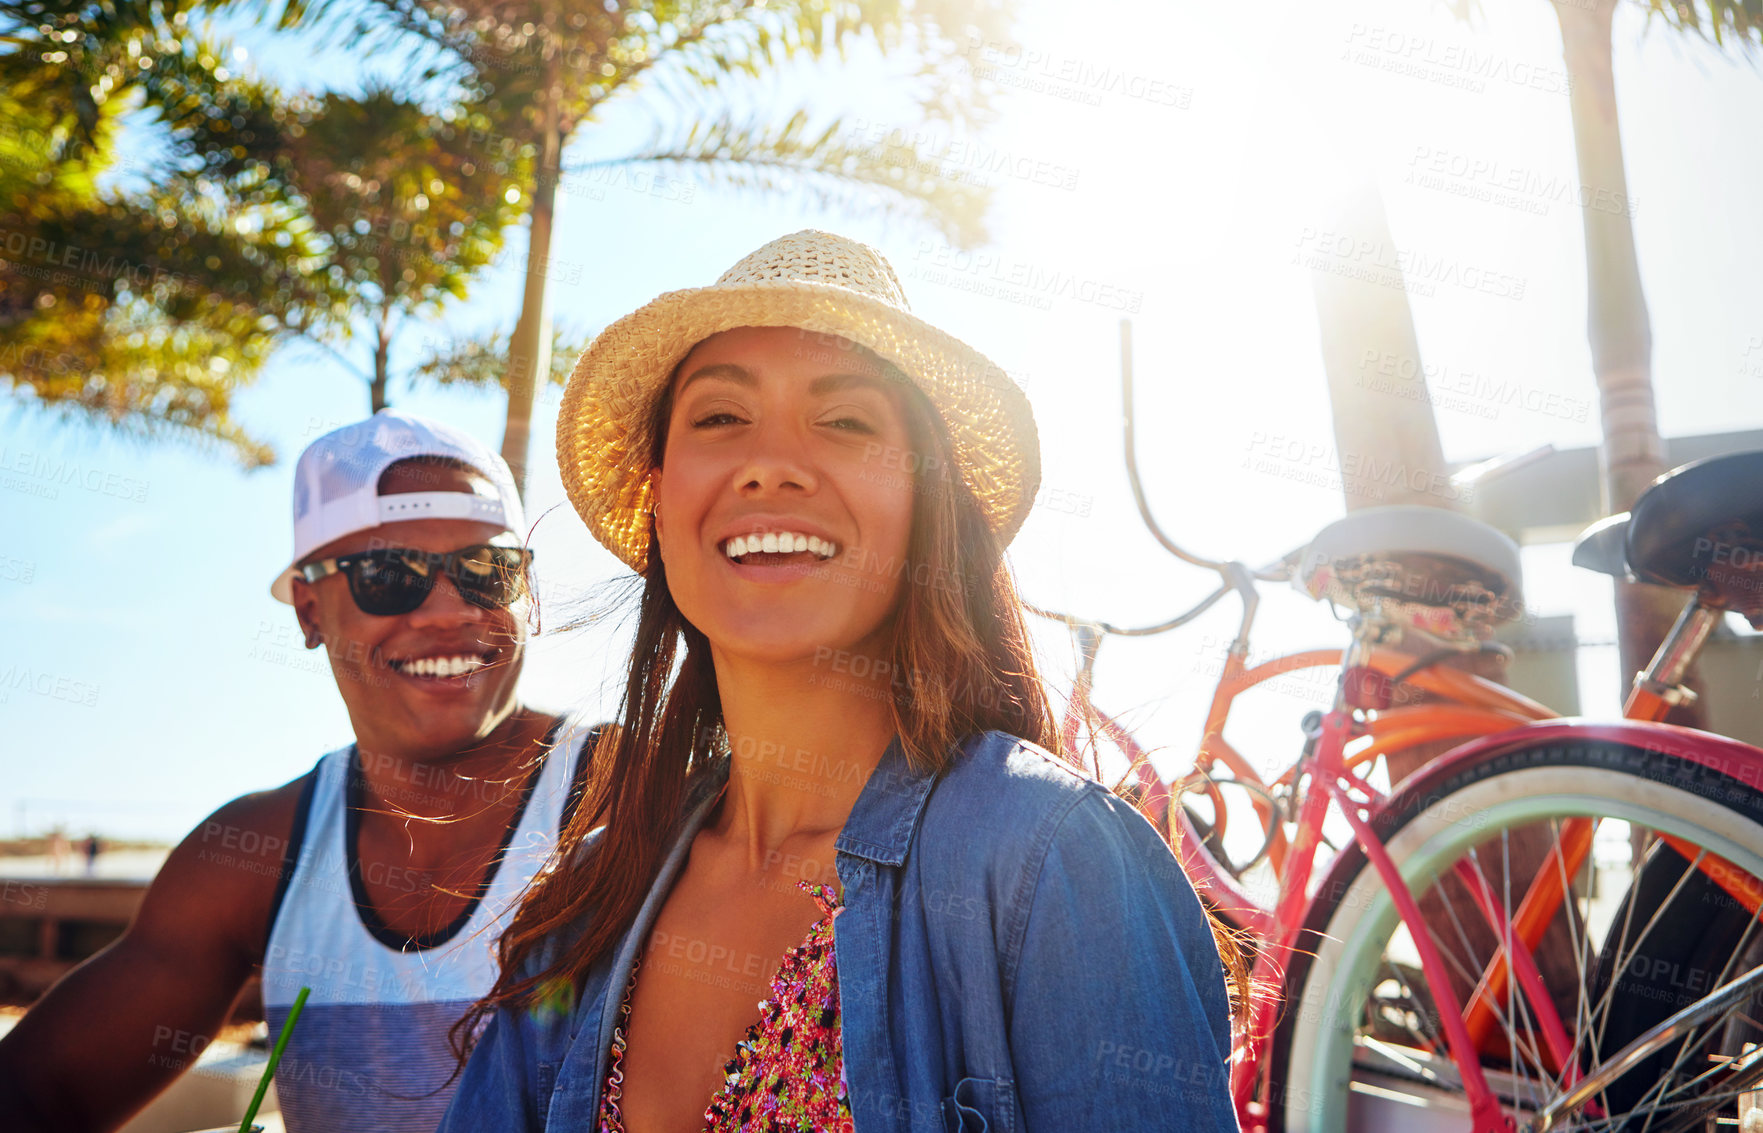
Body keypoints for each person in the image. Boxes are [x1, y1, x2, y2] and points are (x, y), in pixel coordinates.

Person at [438, 230, 1240, 1132]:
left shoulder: (1055, 863)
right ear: (659, 501)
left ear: (925, 504)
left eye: (846, 420)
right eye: (719, 417)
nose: (772, 460)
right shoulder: (584, 907)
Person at [0, 410, 600, 1133]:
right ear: (310, 610)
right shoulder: (253, 856)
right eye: (389, 574)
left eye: (486, 569)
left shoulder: (625, 796)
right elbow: (40, 1092)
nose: (447, 610)